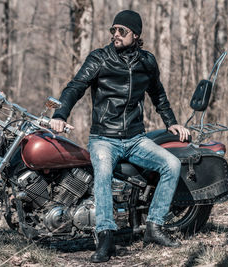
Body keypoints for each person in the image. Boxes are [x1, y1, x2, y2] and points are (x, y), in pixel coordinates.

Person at [50, 10, 190, 263]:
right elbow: (76, 87)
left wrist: (172, 123)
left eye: (122, 31)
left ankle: (154, 227)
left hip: (135, 138)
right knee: (102, 173)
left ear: (135, 35)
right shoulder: (100, 58)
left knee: (172, 164)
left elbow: (158, 94)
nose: (115, 34)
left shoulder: (146, 62)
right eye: (113, 30)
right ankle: (106, 237)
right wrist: (61, 114)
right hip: (104, 138)